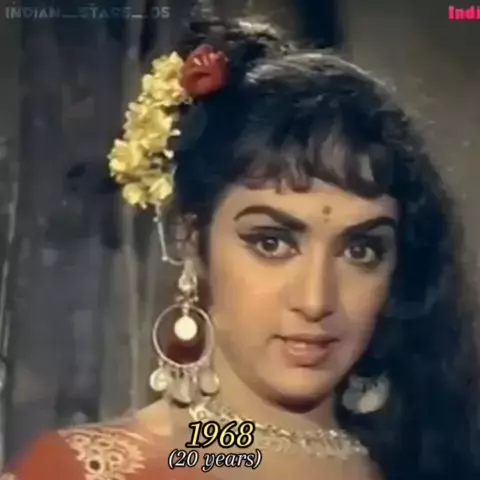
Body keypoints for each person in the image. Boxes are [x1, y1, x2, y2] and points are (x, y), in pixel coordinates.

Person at [2, 15, 480, 480]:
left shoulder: (432, 463)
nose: (316, 300)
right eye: (272, 243)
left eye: (360, 250)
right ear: (193, 241)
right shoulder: (81, 471)